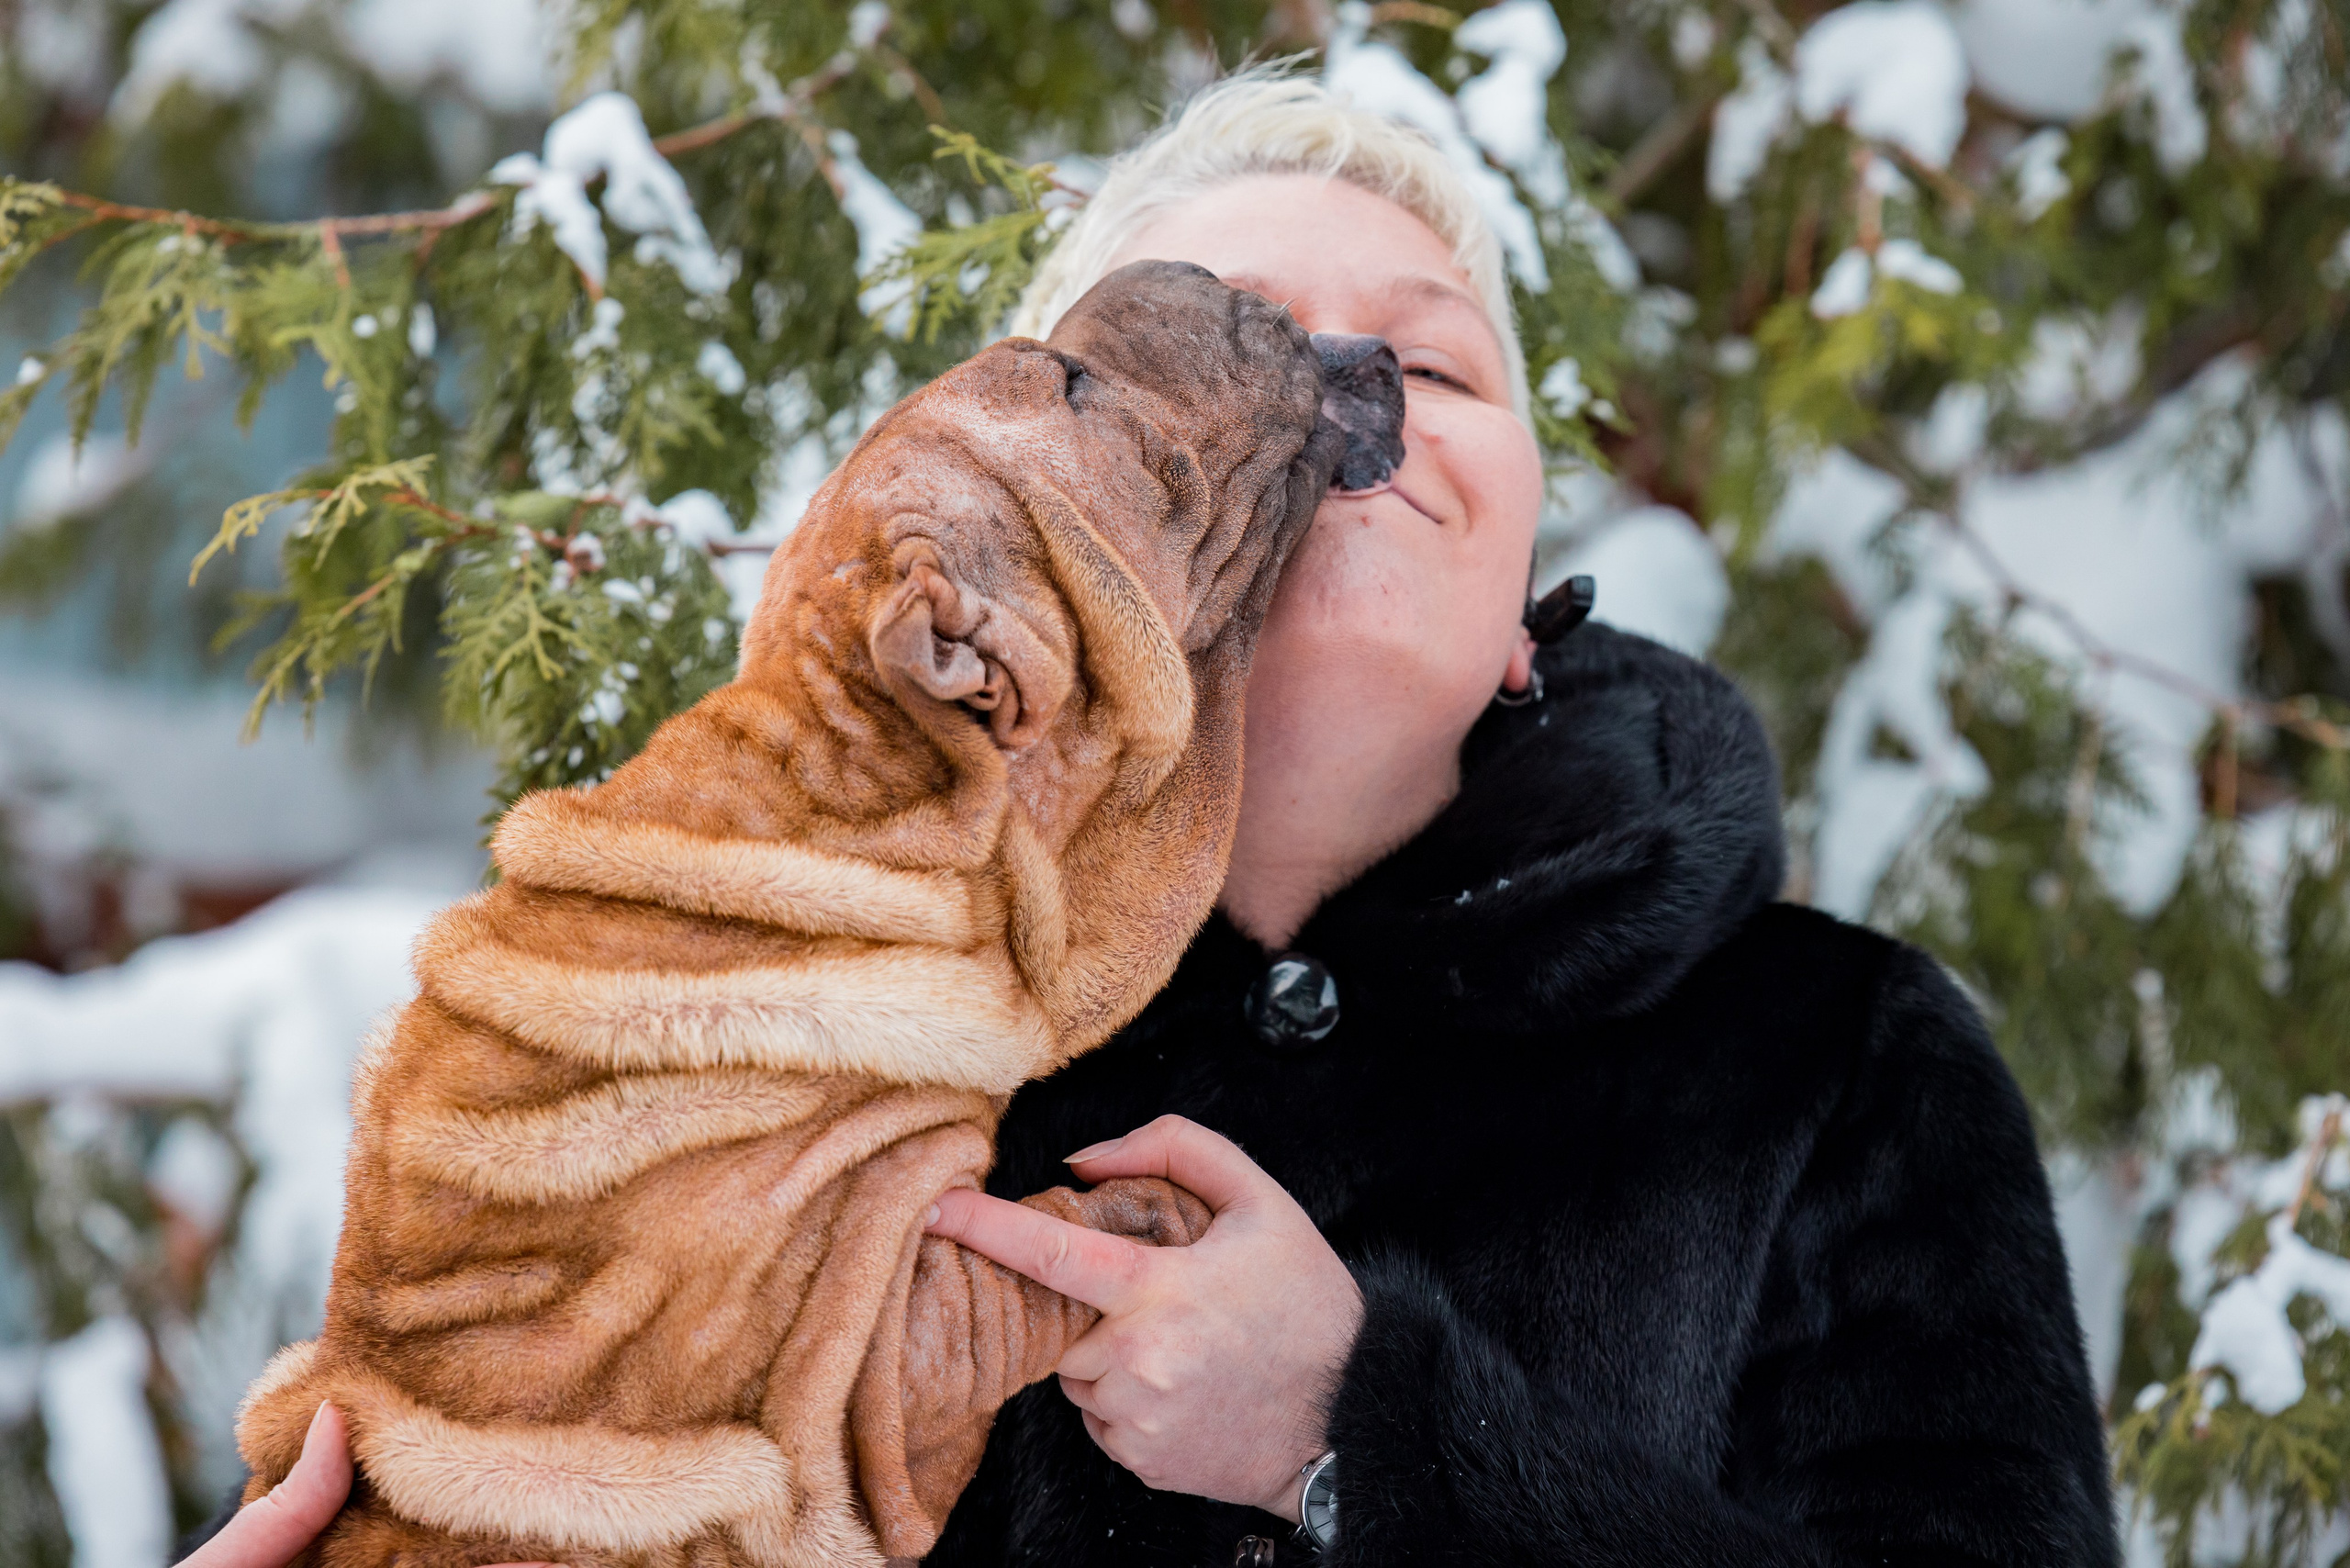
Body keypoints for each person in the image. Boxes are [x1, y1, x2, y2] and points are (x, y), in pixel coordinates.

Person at [194, 70, 2117, 1568]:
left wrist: (1363, 1434)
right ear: (1050, 540)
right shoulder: (816, 1052)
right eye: (1232, 357)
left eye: (1426, 361)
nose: (1339, 397)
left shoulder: (1834, 1058)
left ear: (1530, 561)